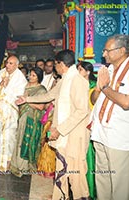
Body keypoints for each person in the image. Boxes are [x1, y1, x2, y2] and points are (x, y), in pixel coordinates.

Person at [16, 49, 90, 199]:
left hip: (73, 135)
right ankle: (61, 196)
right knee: (62, 168)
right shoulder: (65, 79)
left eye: (56, 64)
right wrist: (27, 99)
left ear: (61, 64)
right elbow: (50, 95)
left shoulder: (78, 81)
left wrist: (60, 130)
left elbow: (82, 111)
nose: (55, 67)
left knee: (75, 173)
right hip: (64, 134)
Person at [90, 34, 129, 200]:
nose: (103, 54)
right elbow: (93, 100)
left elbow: (126, 102)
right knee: (102, 178)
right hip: (100, 133)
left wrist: (105, 87)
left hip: (118, 137)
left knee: (119, 183)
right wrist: (98, 89)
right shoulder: (108, 69)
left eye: (107, 50)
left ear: (122, 50)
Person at [10, 67, 46, 177]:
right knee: (20, 139)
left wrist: (26, 101)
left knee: (29, 141)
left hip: (32, 119)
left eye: (34, 75)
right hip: (22, 116)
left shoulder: (41, 90)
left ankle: (27, 167)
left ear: (39, 77)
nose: (30, 77)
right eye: (30, 74)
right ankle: (18, 165)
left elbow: (41, 107)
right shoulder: (25, 86)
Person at [0, 55, 27, 172]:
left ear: (17, 65)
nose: (8, 65)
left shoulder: (20, 78)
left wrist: (6, 87)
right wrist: (0, 85)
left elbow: (19, 95)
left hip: (9, 111)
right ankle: (0, 162)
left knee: (8, 137)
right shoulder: (1, 73)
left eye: (11, 63)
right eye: (7, 62)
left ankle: (7, 163)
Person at [77, 60, 97, 200]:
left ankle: (90, 190)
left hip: (89, 125)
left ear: (88, 72)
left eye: (80, 70)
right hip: (78, 124)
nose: (78, 73)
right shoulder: (78, 85)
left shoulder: (94, 87)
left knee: (88, 156)